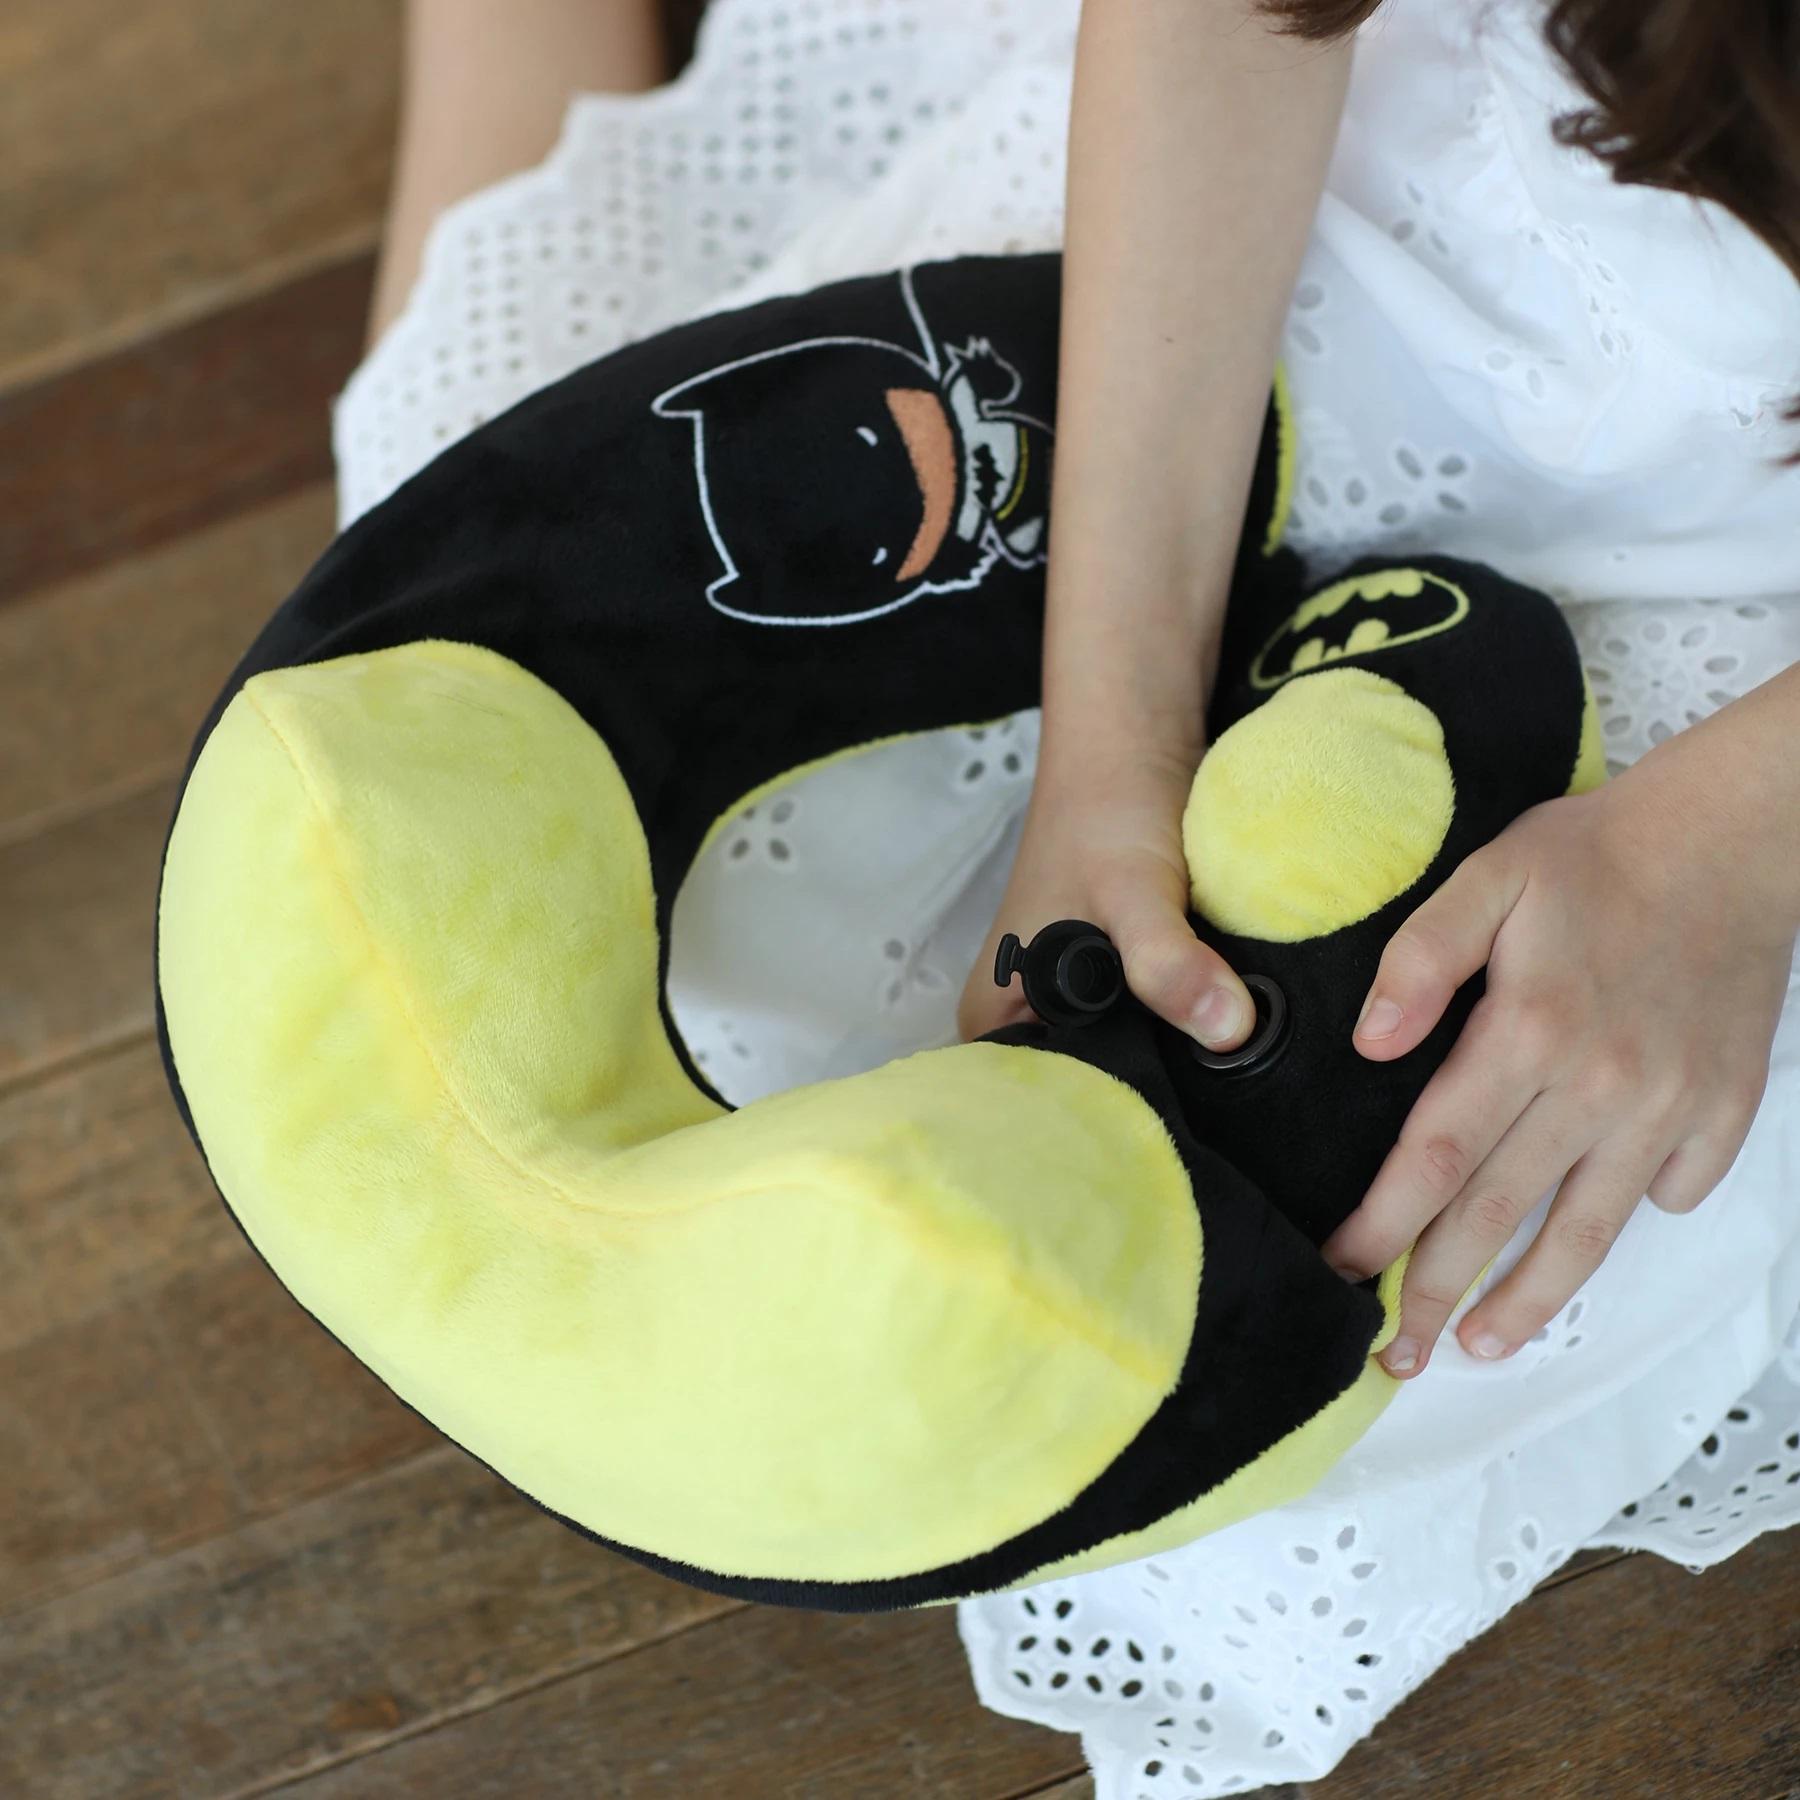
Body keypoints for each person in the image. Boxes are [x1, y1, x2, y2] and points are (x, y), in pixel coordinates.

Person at [344, 0, 1800, 1785]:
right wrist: (1112, 736)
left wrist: (1724, 844)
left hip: (1739, 619)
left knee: (1385, 1340)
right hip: (1229, 301)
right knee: (503, 695)